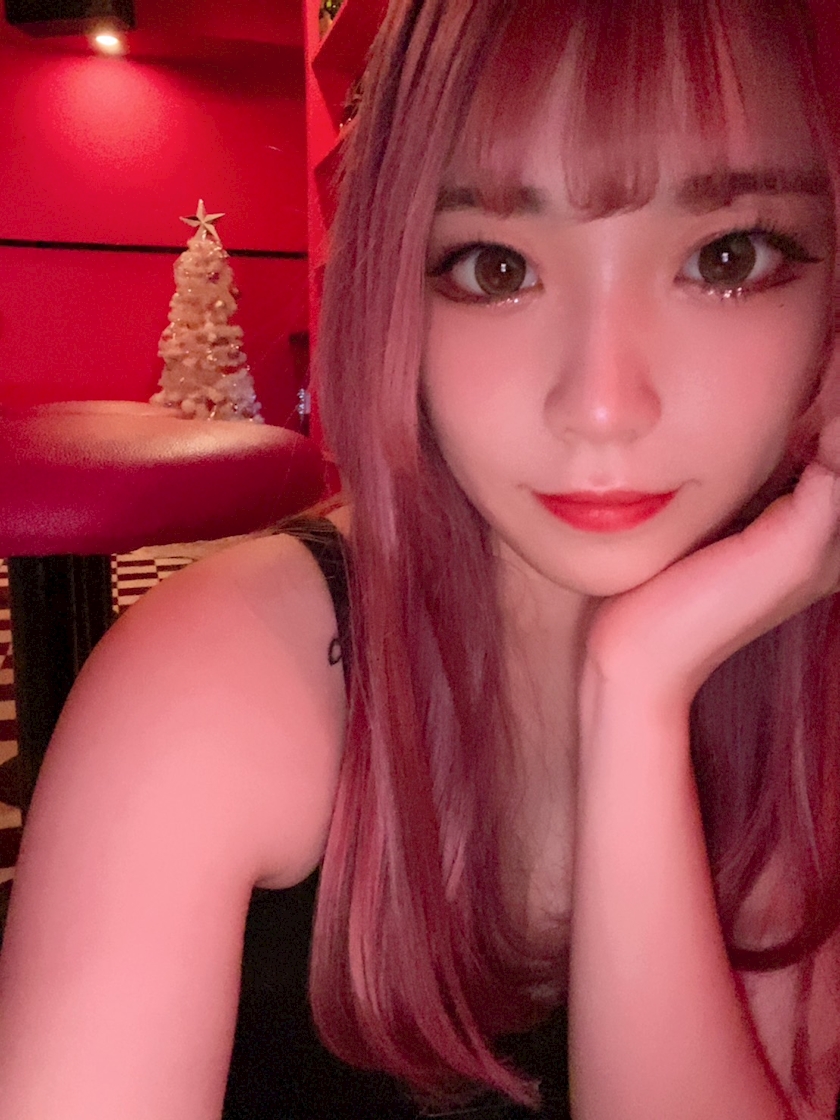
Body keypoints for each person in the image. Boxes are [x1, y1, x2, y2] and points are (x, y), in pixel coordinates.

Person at [2, 0, 840, 1116]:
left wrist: (636, 690)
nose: (601, 405)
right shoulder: (204, 698)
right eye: (495, 268)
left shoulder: (808, 672)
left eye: (727, 257)